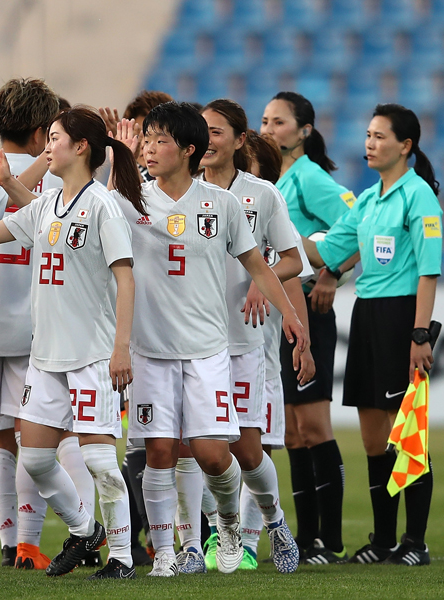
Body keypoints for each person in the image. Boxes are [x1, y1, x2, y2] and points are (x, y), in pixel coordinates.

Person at [114, 101, 307, 578]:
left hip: (208, 350)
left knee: (215, 453)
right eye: (147, 138)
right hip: (151, 349)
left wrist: (292, 321)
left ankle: (251, 522)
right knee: (159, 453)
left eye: (161, 140)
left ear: (189, 150)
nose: (150, 147)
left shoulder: (223, 204)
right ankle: (172, 554)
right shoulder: (131, 198)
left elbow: (260, 266)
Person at [0, 105, 142, 580]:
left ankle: (123, 559)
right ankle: (84, 528)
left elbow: (125, 279)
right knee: (33, 457)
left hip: (91, 355)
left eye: (54, 138)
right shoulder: (46, 204)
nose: (47, 147)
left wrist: (121, 347)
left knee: (98, 461)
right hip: (45, 357)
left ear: (81, 147)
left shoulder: (103, 205)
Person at [0, 78, 85, 571]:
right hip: (37, 329)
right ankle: (27, 544)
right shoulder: (59, 184)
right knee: (32, 436)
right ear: (39, 134)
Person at [304, 103, 441, 567]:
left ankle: (415, 542)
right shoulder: (367, 199)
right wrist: (266, 230)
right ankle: (383, 541)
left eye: (380, 136)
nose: (369, 143)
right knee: (373, 439)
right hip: (365, 316)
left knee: (408, 435)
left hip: (402, 318)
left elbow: (428, 272)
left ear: (405, 146)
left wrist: (420, 334)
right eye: (367, 135)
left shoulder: (417, 196)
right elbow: (331, 250)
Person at [191, 99, 309, 574]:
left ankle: (276, 524)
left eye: (217, 132)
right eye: (202, 132)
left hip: (243, 340)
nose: (207, 140)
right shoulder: (182, 192)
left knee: (245, 446)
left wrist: (266, 285)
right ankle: (209, 540)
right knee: (192, 446)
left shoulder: (260, 195)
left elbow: (293, 259)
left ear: (240, 140)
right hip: (192, 340)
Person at [260, 91, 356, 563]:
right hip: (280, 309)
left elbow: (359, 220)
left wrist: (332, 273)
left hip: (309, 311)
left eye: (279, 122)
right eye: (264, 120)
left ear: (304, 131)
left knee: (314, 426)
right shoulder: (270, 180)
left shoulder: (309, 177)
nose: (268, 129)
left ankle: (329, 541)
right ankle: (306, 535)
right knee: (293, 431)